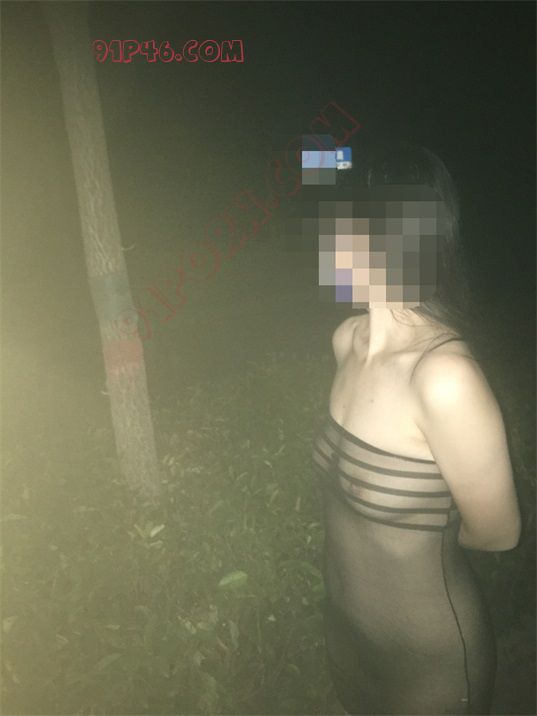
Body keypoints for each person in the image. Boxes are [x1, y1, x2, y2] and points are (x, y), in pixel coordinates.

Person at [312, 140, 521, 715]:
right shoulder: (346, 340)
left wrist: (419, 538)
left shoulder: (444, 377)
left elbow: (498, 533)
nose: (329, 242)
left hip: (429, 659)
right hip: (344, 635)